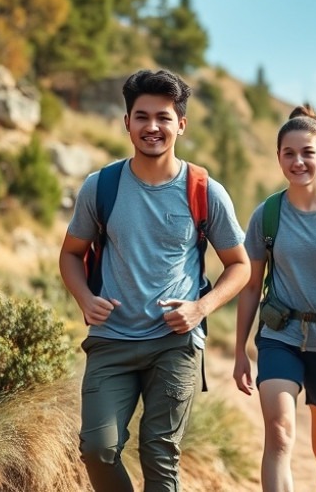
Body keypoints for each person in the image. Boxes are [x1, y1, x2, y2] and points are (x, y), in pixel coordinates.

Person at [58, 69, 250, 492]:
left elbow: (240, 266)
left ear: (181, 124)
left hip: (175, 343)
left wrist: (200, 308)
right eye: (141, 116)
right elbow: (71, 254)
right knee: (97, 448)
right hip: (112, 339)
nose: (152, 127)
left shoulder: (205, 190)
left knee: (160, 455)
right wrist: (85, 299)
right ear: (126, 122)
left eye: (163, 117)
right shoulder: (101, 186)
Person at [233, 105, 316, 492]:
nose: (298, 161)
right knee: (280, 434)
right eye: (289, 153)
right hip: (280, 336)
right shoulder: (267, 215)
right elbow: (252, 286)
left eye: (307, 152)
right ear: (278, 158)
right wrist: (240, 349)